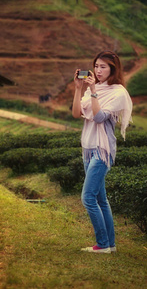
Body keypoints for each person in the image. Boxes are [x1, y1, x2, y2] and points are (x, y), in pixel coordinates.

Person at [72, 50, 133, 254]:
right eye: (96, 66)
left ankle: (103, 244)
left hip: (102, 149)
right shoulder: (92, 88)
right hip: (88, 148)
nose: (98, 70)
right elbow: (75, 113)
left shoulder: (118, 92)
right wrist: (79, 89)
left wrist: (94, 92)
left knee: (88, 197)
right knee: (100, 199)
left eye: (103, 67)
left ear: (112, 69)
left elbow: (99, 118)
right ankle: (110, 244)